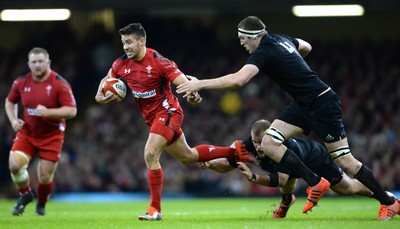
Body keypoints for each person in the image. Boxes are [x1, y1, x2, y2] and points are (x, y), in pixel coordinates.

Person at [176, 15, 400, 220]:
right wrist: (290, 62)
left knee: (344, 161)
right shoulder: (282, 40)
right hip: (303, 103)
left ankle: (389, 202)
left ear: (256, 37)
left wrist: (200, 84)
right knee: (269, 142)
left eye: (243, 38)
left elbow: (238, 80)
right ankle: (315, 182)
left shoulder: (263, 51)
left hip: (322, 103)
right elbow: (306, 47)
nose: (242, 43)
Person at [94, 23, 248, 221]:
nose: (126, 47)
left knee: (150, 153)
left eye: (130, 42)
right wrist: (100, 96)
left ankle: (155, 210)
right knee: (188, 157)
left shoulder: (160, 62)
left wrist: (192, 95)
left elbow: (183, 82)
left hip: (169, 112)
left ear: (142, 41)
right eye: (124, 42)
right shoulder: (120, 64)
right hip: (152, 118)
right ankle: (234, 151)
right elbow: (106, 81)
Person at [201, 119, 400, 219]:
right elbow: (229, 165)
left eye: (262, 141)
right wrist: (210, 164)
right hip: (295, 165)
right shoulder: (249, 144)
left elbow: (278, 180)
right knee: (288, 182)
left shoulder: (279, 147)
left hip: (316, 158)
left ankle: (387, 198)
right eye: (255, 141)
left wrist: (253, 176)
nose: (259, 146)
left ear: (270, 136)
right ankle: (286, 203)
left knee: (346, 189)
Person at [5, 47, 77, 216]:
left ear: (48, 63)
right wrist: (14, 120)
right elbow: (10, 102)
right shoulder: (21, 82)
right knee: (14, 165)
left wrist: (49, 112)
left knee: (44, 177)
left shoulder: (60, 84)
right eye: (34, 62)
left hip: (52, 135)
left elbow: (72, 111)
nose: (37, 65)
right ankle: (26, 194)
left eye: (40, 61)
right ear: (29, 64)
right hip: (28, 133)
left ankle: (41, 203)